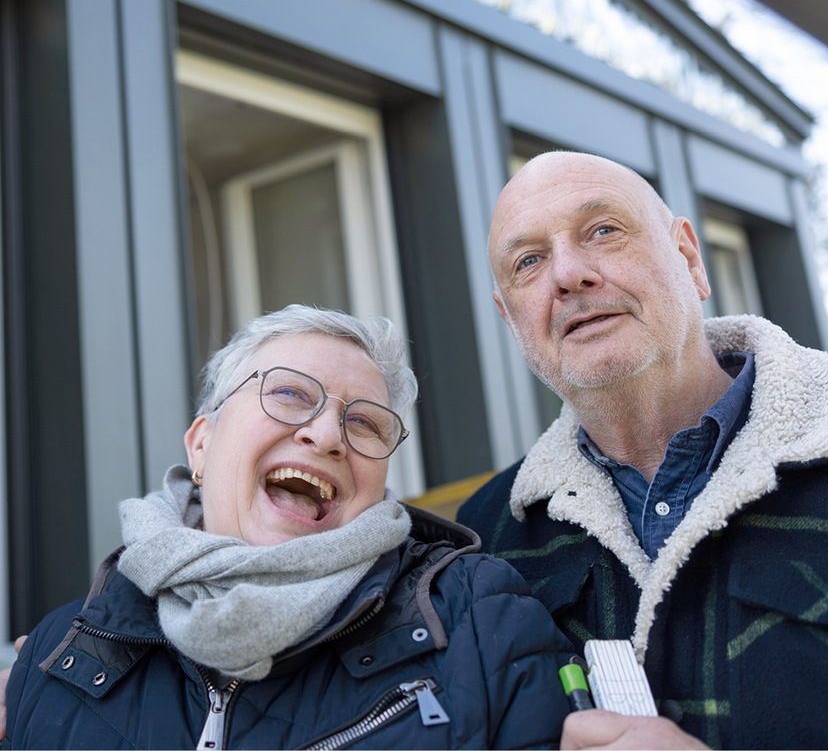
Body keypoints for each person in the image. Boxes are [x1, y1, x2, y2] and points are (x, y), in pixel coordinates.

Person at [3, 304, 577, 750]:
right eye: (288, 394)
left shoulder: (483, 621)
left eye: (367, 424)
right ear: (202, 444)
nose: (327, 435)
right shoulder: (58, 653)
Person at [458, 151, 828, 751]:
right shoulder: (484, 539)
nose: (569, 274)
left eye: (603, 231)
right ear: (511, 317)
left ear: (690, 259)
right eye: (529, 262)